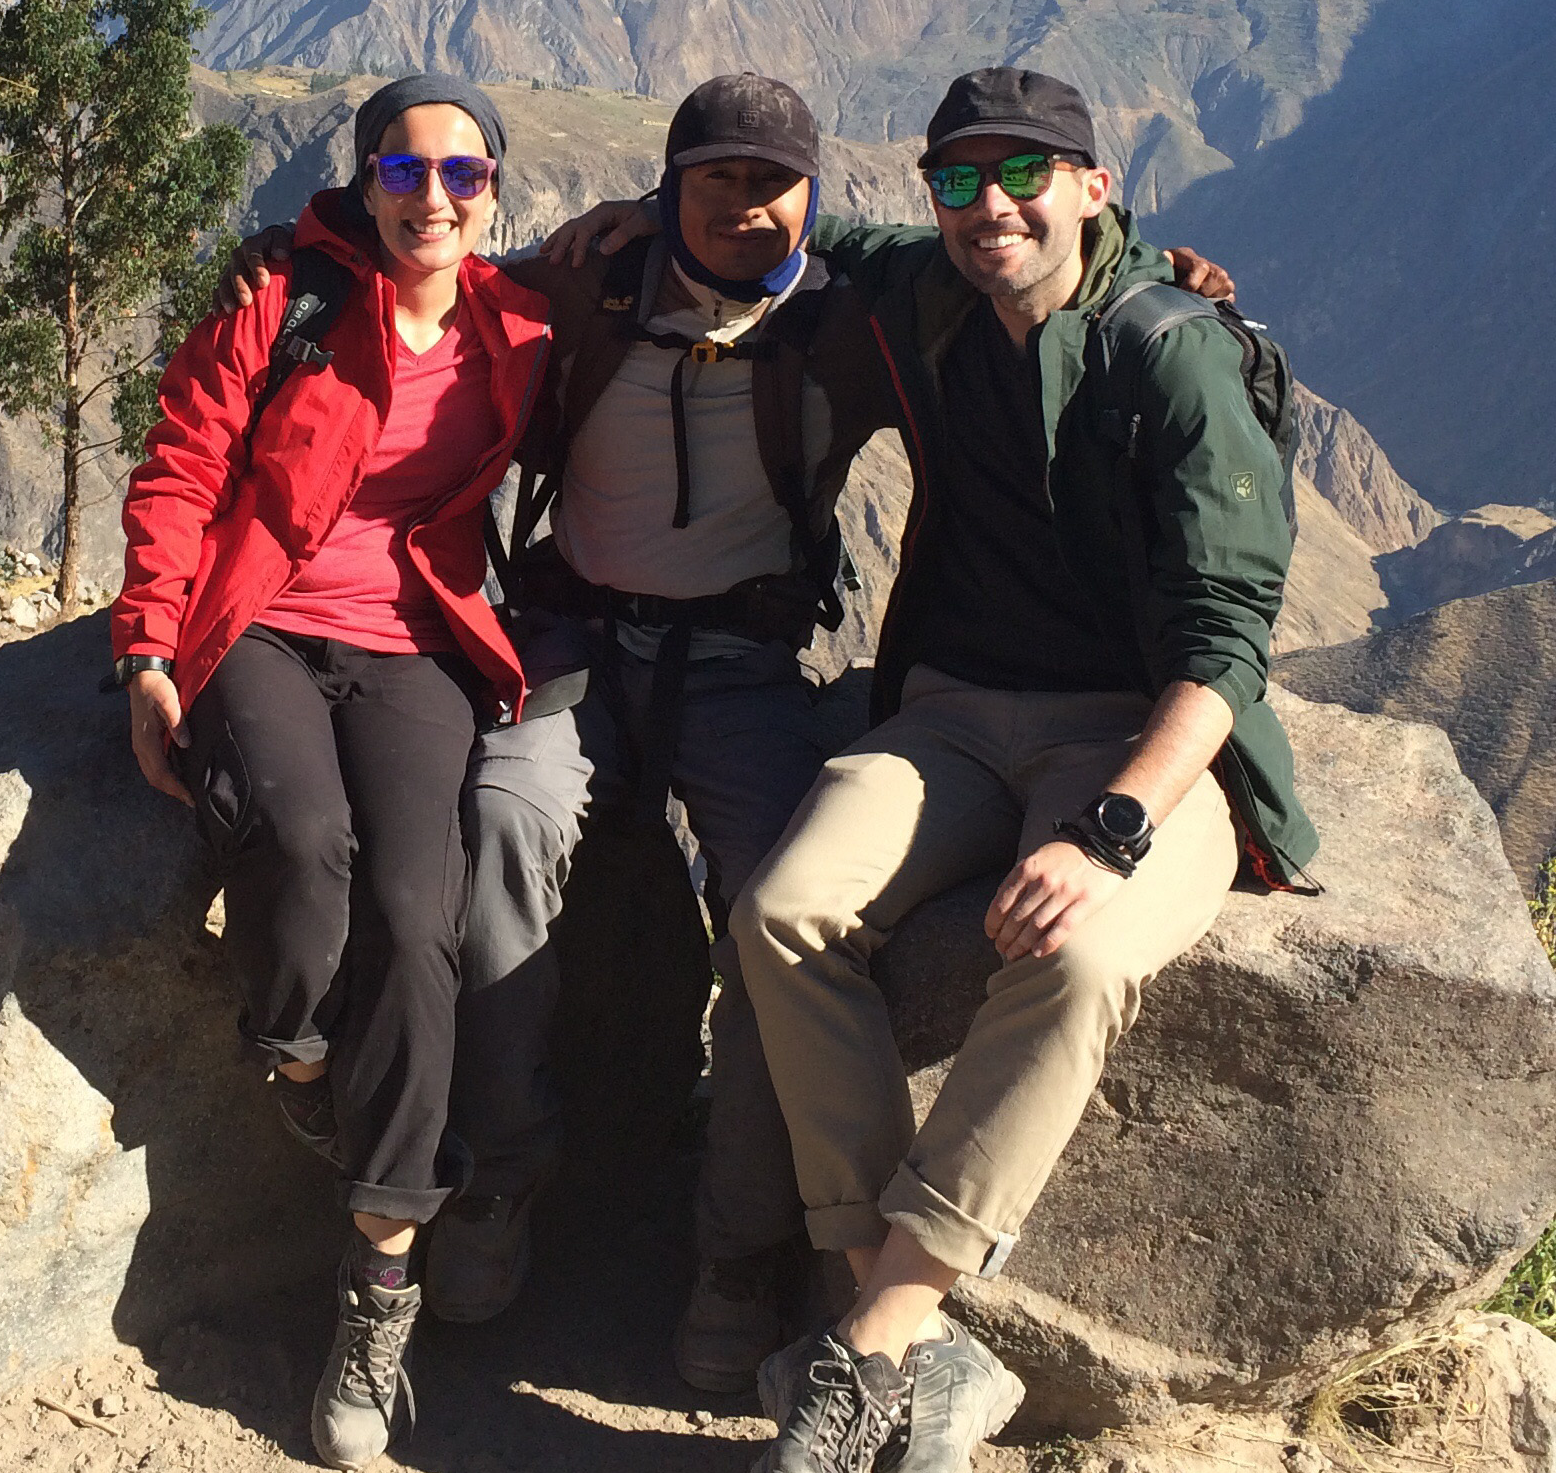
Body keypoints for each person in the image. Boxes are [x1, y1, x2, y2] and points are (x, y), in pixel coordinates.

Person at [216, 74, 1239, 1397]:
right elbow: (428, 268)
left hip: (750, 667)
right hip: (577, 643)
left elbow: (1018, 261)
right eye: (716, 182)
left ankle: (737, 1248)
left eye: (774, 185)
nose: (748, 210)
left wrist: (1158, 264)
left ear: (815, 195)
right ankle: (501, 1180)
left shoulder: (851, 321)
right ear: (668, 186)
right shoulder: (588, 285)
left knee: (779, 913)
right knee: (501, 827)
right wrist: (298, 252)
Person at [721, 66, 1315, 1473]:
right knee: (785, 907)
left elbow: (1229, 642)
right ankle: (908, 1330)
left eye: (1024, 175)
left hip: (1137, 740)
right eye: (958, 182)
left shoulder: (1175, 356)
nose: (991, 208)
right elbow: (800, 231)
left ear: (1094, 186)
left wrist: (1111, 827)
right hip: (956, 714)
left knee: (1081, 956)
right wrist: (576, 236)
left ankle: (862, 1355)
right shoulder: (930, 291)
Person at [113, 75, 552, 1473]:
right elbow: (183, 466)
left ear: (495, 194)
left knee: (425, 914)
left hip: (412, 638)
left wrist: (1149, 259)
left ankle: (380, 1283)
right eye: (406, 172)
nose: (434, 198)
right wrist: (145, 650)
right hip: (260, 622)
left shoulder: (521, 326)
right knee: (306, 847)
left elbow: (722, 259)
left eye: (464, 178)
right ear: (364, 181)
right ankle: (301, 1055)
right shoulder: (281, 299)